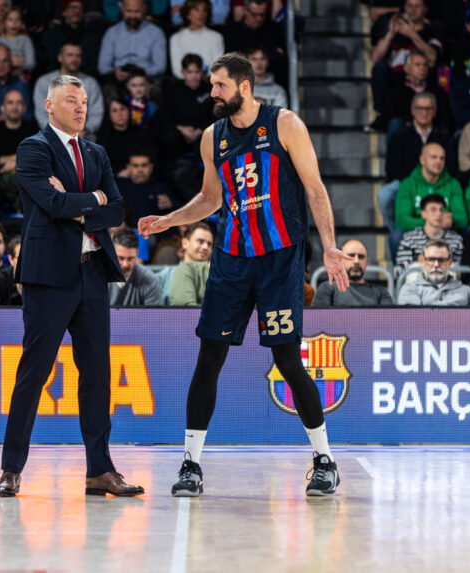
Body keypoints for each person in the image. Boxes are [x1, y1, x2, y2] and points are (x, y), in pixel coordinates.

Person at [138, 53, 350, 497]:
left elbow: (315, 188)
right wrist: (168, 220)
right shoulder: (212, 137)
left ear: (244, 86)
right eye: (212, 86)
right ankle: (191, 465)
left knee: (288, 361)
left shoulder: (285, 124)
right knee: (209, 359)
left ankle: (324, 460)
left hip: (279, 259)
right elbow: (209, 199)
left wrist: (329, 246)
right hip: (232, 260)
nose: (212, 93)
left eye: (219, 86)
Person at [0, 75, 143, 499]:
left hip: (92, 273)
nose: (81, 108)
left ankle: (101, 470)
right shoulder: (33, 149)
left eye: (83, 101)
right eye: (71, 101)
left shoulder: (96, 151)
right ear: (49, 105)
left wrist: (88, 204)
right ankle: (11, 469)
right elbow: (53, 203)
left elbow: (117, 210)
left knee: (96, 374)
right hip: (48, 277)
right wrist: (92, 200)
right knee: (34, 373)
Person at [369, 0, 443, 127]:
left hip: (424, 79)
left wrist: (412, 34)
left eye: (417, 6)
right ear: (404, 8)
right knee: (379, 68)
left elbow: (433, 56)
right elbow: (375, 57)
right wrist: (391, 33)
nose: (413, 10)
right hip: (397, 79)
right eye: (409, 6)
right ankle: (381, 114)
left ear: (425, 9)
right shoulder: (394, 31)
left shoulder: (432, 30)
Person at [393, 143, 467, 255]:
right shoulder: (408, 184)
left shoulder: (453, 184)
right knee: (396, 235)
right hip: (417, 232)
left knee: (468, 232)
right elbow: (402, 220)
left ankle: (458, 271)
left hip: (446, 231)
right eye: (434, 157)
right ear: (422, 160)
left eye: (442, 158)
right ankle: (403, 272)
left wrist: (450, 221)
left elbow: (463, 218)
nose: (438, 161)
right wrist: (433, 223)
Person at [0, 89, 38, 214]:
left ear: (24, 108)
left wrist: (13, 162)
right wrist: (19, 158)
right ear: (3, 108)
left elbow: (38, 156)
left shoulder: (33, 130)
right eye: (10, 103)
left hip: (26, 180)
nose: (14, 107)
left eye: (19, 103)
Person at [33, 43, 103, 139]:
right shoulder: (44, 82)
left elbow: (97, 113)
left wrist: (85, 129)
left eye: (78, 56)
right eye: (70, 55)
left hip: (84, 138)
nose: (74, 59)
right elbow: (41, 114)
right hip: (53, 138)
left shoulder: (90, 83)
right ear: (60, 58)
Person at [395, 193, 464, 277]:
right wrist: (417, 261)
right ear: (423, 213)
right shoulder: (409, 238)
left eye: (441, 210)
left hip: (447, 286)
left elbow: (462, 272)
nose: (438, 213)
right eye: (433, 209)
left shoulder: (456, 239)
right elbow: (397, 272)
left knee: (452, 268)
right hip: (417, 286)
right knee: (414, 269)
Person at [97, 0, 167, 83]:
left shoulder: (156, 33)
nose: (132, 16)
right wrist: (115, 72)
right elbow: (102, 67)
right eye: (129, 11)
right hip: (118, 81)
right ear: (122, 8)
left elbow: (160, 67)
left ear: (144, 9)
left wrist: (141, 72)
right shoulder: (112, 33)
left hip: (147, 80)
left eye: (137, 12)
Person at [397, 239, 470, 306]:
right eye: (431, 259)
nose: (436, 264)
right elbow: (412, 322)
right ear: (423, 262)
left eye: (441, 260)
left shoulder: (467, 291)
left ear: (450, 263)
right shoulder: (410, 289)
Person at [160, 54, 213, 161]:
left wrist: (200, 131)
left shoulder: (211, 90)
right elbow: (165, 116)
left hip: (202, 133)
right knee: (169, 136)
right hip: (179, 134)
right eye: (190, 72)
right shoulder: (173, 91)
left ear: (202, 72)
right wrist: (181, 129)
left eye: (197, 72)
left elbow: (215, 116)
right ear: (183, 72)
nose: (194, 76)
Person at [313, 240, 393, 306]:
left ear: (366, 262)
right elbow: (320, 322)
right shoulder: (328, 288)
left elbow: (387, 321)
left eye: (361, 257)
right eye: (350, 256)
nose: (356, 261)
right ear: (340, 260)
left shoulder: (381, 292)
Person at [169, 0, 224, 80]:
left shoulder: (216, 37)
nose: (201, 14)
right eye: (196, 9)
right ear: (188, 14)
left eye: (204, 10)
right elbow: (177, 70)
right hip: (183, 84)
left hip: (208, 84)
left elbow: (217, 68)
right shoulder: (176, 39)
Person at [97, 97, 153, 175]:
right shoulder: (103, 138)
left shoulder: (142, 134)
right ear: (109, 115)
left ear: (129, 111)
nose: (119, 114)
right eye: (114, 110)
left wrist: (131, 171)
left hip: (140, 175)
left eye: (122, 109)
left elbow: (149, 159)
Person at [109, 227, 162, 306]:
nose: (125, 264)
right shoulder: (99, 278)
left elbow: (153, 317)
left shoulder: (149, 280)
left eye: (130, 259)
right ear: (112, 253)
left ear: (137, 254)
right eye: (121, 258)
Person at [117, 152, 174, 223]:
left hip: (154, 231)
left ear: (151, 167)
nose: (140, 169)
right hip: (125, 232)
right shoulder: (119, 187)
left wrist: (171, 204)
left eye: (144, 165)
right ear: (128, 168)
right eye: (135, 166)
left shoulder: (160, 188)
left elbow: (181, 207)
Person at [0, 7, 35, 74]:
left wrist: (20, 66)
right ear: (4, 23)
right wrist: (11, 61)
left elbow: (31, 63)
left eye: (17, 20)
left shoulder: (25, 39)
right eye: (10, 19)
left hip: (18, 75)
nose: (14, 23)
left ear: (21, 23)